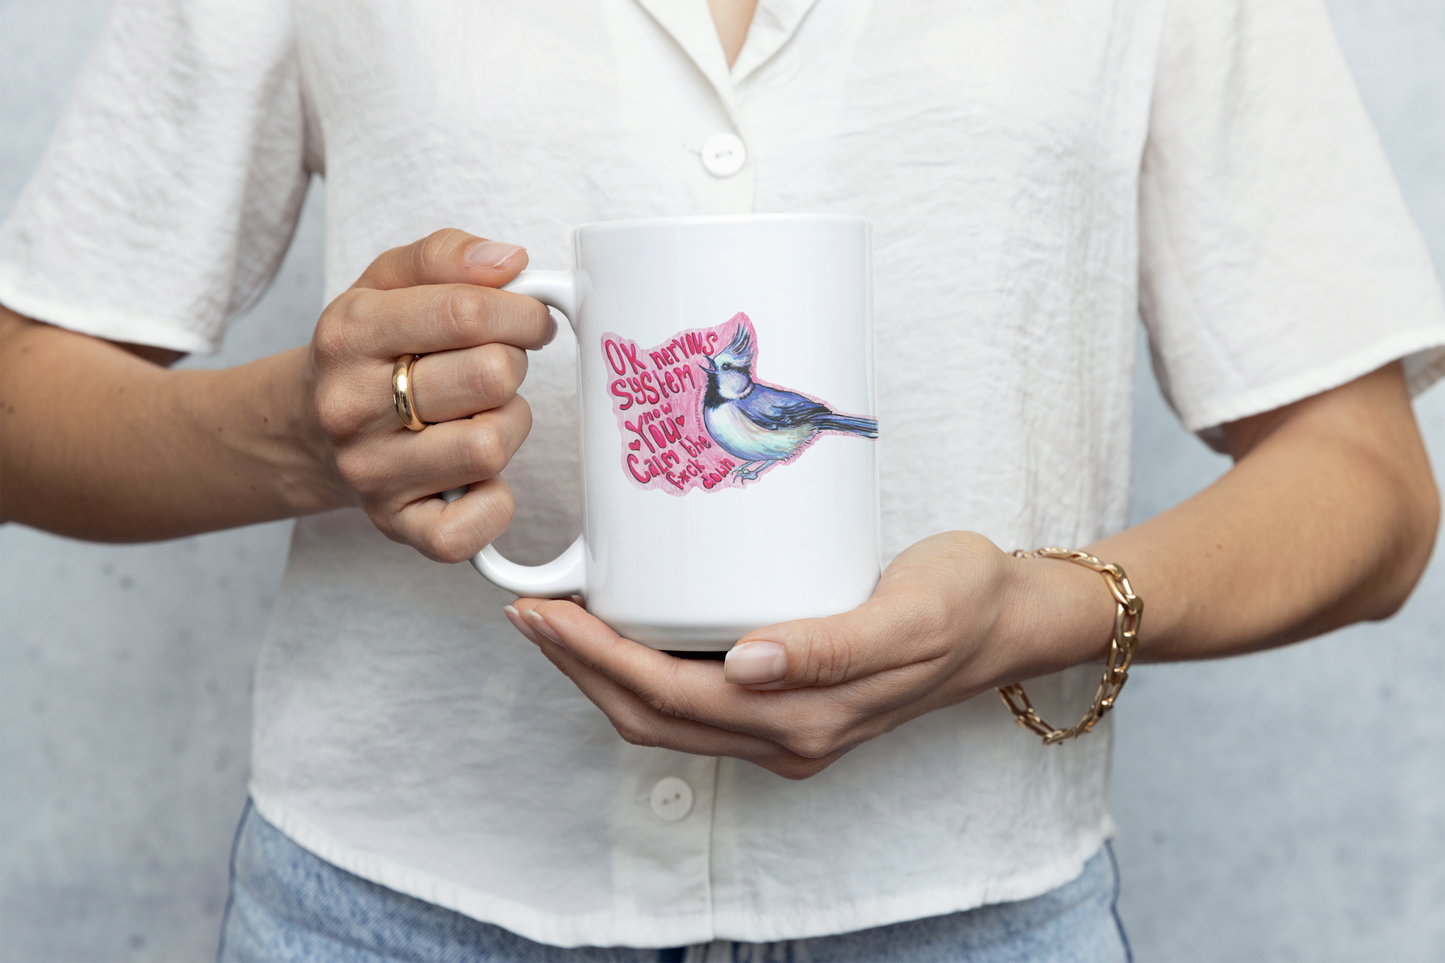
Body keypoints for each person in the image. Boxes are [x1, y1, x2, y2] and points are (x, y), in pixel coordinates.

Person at [1, 0, 1442, 959]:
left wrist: (1038, 610)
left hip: (975, 911)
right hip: (387, 909)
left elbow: (1371, 487)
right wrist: (302, 429)